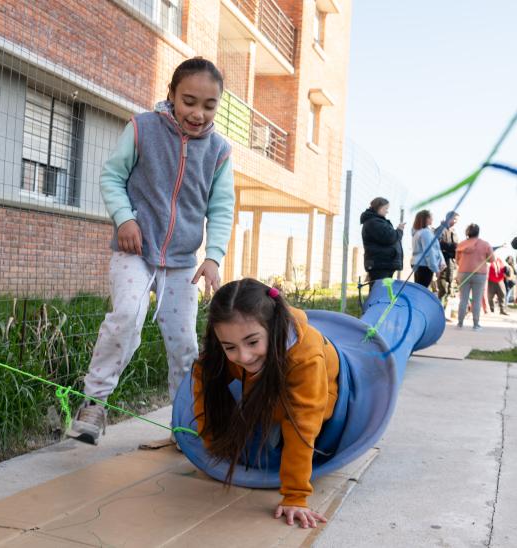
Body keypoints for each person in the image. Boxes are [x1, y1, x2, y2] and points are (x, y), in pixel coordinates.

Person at [66, 58, 235, 445]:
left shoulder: (220, 152)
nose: (198, 113)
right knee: (127, 315)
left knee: (185, 345)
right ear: (172, 94)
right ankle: (93, 403)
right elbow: (112, 175)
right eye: (189, 101)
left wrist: (213, 257)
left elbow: (221, 207)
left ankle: (185, 426)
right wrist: (124, 219)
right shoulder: (142, 128)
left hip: (180, 264)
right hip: (136, 251)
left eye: (209, 105)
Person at [192, 279, 337, 528]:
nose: (244, 356)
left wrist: (295, 496)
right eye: (230, 347)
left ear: (273, 328)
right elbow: (203, 385)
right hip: (264, 384)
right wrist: (212, 444)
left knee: (275, 440)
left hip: (321, 390)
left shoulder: (305, 356)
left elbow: (303, 423)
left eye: (252, 342)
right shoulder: (230, 350)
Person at [455, 224, 492, 330]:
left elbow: (457, 260)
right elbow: (492, 259)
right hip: (479, 273)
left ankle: (460, 323)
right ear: (478, 232)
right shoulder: (485, 244)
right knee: (477, 299)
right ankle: (475, 324)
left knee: (463, 299)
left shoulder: (461, 244)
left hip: (463, 273)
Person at [360, 197, 405, 285]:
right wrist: (399, 230)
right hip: (380, 264)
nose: (387, 211)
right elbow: (390, 238)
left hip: (383, 263)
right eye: (385, 208)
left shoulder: (377, 221)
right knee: (379, 293)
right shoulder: (374, 222)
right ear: (379, 207)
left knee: (383, 292)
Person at [411, 210, 445, 288]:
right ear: (425, 219)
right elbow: (429, 252)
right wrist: (435, 269)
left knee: (418, 290)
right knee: (422, 291)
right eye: (430, 217)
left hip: (417, 264)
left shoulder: (417, 233)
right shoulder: (426, 233)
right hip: (424, 266)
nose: (432, 219)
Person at [435, 211, 460, 307]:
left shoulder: (453, 232)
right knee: (443, 288)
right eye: (455, 219)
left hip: (451, 263)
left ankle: (444, 311)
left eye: (457, 220)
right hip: (442, 262)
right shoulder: (440, 230)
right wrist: (453, 246)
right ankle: (439, 310)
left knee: (449, 288)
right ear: (448, 218)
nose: (456, 221)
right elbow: (437, 244)